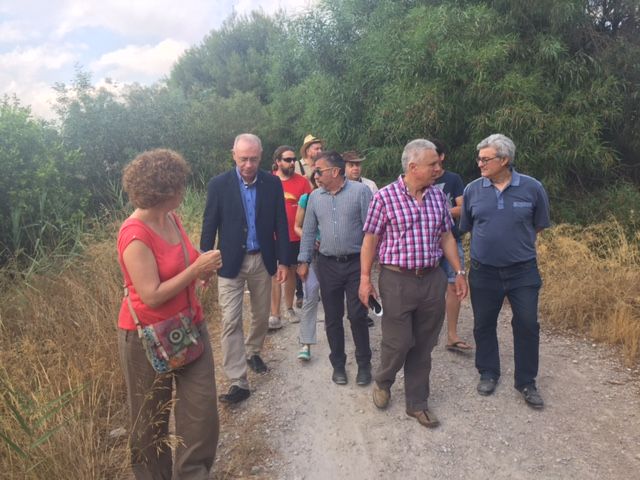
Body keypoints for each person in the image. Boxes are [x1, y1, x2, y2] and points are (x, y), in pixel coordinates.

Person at [117, 149, 221, 478]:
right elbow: (151, 294)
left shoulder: (171, 218)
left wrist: (199, 268)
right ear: (164, 192)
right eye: (179, 186)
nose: (183, 191)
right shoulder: (134, 235)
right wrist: (195, 272)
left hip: (189, 326)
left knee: (201, 416)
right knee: (149, 425)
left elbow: (186, 258)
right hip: (146, 337)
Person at [359, 139, 468, 429]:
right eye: (433, 164)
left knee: (423, 343)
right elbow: (370, 240)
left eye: (438, 163)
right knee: (399, 342)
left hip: (432, 279)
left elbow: (446, 236)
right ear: (413, 167)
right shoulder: (384, 197)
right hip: (396, 280)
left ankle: (417, 403)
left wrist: (458, 272)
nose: (438, 168)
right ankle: (383, 380)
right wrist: (365, 279)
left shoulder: (437, 197)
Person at [459, 133, 550, 409]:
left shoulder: (532, 188)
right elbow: (468, 226)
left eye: (485, 159)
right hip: (483, 271)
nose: (480, 164)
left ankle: (526, 381)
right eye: (479, 159)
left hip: (522, 271)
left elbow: (538, 224)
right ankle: (488, 372)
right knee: (483, 324)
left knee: (527, 324)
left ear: (505, 159)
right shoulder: (473, 189)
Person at [200, 133, 290, 404]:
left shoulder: (272, 183)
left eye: (253, 159)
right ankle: (238, 380)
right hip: (229, 262)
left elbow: (280, 224)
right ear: (233, 156)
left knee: (262, 315)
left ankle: (252, 351)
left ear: (261, 157)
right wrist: (204, 264)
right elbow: (209, 224)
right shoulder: (219, 185)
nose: (248, 165)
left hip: (262, 259)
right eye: (243, 159)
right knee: (230, 320)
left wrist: (284, 260)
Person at [297, 151, 373, 386]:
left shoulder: (361, 193)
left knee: (358, 315)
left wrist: (369, 268)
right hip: (327, 264)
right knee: (332, 317)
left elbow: (370, 230)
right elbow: (308, 231)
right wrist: (303, 260)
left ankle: (364, 364)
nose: (315, 175)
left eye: (319, 170)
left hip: (355, 263)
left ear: (335, 172)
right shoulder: (314, 198)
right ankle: (338, 364)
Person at [431, 138, 472, 352]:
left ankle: (452, 334)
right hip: (425, 243)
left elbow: (462, 208)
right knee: (425, 286)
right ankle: (426, 333)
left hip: (450, 238)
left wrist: (437, 212)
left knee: (454, 284)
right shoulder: (417, 179)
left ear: (441, 156)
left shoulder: (453, 179)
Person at [268, 145, 312, 330]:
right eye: (287, 159)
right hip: (273, 236)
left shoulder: (302, 182)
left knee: (292, 270)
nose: (292, 162)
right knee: (274, 273)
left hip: (294, 236)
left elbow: (311, 208)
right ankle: (274, 314)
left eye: (293, 159)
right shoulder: (269, 181)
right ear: (277, 161)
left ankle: (289, 307)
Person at [342, 150, 379, 328]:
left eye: (358, 164)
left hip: (366, 237)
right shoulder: (339, 186)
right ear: (344, 167)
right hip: (347, 238)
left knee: (364, 276)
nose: (355, 168)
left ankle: (362, 312)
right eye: (351, 165)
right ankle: (352, 311)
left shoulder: (370, 186)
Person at [293, 181, 321, 361]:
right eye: (316, 175)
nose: (320, 178)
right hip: (313, 254)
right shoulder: (307, 198)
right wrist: (310, 240)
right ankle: (306, 343)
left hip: (335, 256)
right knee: (310, 295)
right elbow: (297, 226)